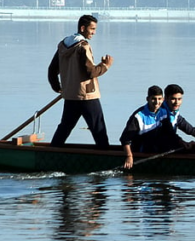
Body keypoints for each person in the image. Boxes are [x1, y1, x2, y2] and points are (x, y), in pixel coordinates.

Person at [48, 14, 113, 148]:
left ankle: (52, 151)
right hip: (87, 95)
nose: (94, 33)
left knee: (65, 127)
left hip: (71, 95)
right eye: (92, 29)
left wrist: (58, 87)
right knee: (98, 127)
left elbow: (52, 69)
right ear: (83, 28)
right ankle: (106, 155)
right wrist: (105, 65)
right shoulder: (83, 46)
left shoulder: (63, 44)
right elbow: (90, 72)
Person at [118, 85, 168, 169]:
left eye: (159, 99)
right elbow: (124, 139)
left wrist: (183, 143)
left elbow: (170, 133)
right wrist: (129, 156)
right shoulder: (138, 116)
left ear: (163, 99)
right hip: (142, 150)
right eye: (153, 99)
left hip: (157, 148)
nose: (156, 102)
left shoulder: (164, 112)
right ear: (147, 99)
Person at [161, 84, 195, 148]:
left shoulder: (173, 112)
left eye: (179, 99)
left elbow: (183, 124)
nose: (177, 102)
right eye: (173, 99)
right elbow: (169, 134)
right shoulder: (161, 113)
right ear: (166, 98)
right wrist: (183, 143)